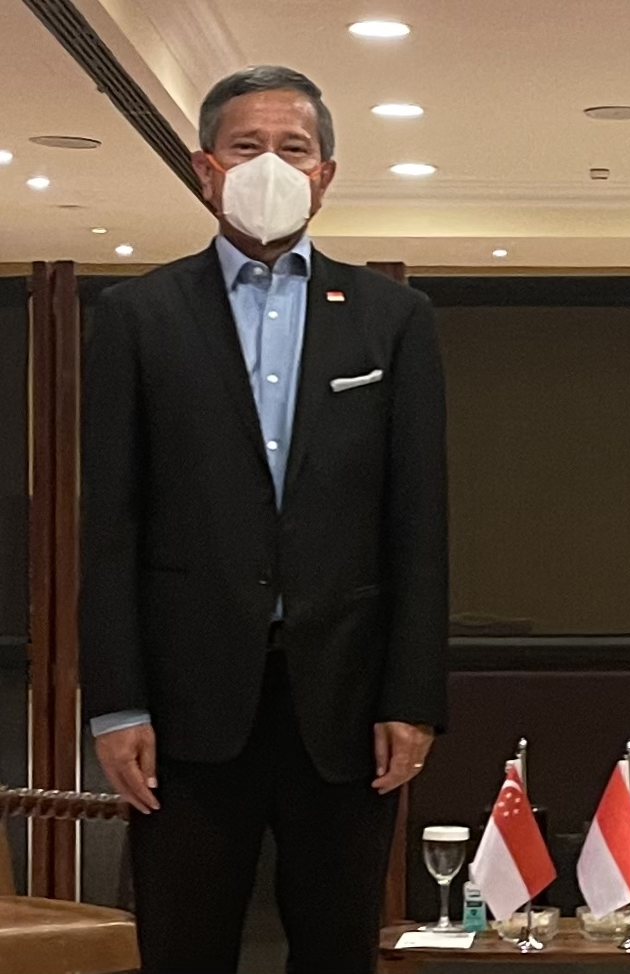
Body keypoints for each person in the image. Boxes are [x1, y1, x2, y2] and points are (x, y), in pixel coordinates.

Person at [79, 66, 447, 974]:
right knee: (184, 946)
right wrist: (116, 703)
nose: (271, 165)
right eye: (247, 147)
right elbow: (110, 526)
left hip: (348, 701)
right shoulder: (138, 316)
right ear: (206, 170)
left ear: (325, 174)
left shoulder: (392, 320)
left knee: (335, 948)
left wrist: (413, 697)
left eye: (294, 148)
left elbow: (420, 523)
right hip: (183, 702)